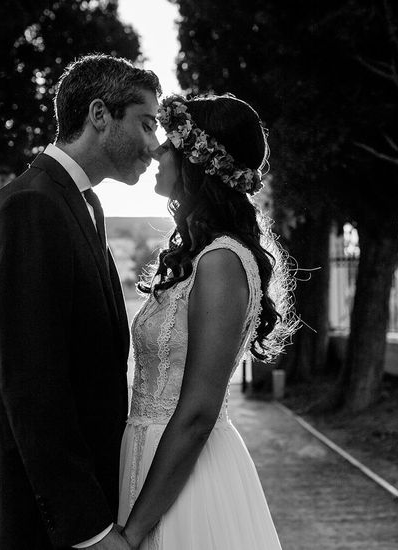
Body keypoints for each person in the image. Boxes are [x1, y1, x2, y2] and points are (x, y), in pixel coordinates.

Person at [0, 54, 160, 550]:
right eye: (146, 124)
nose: (154, 146)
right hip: (45, 524)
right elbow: (32, 384)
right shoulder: (33, 206)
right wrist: (89, 530)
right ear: (100, 114)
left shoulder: (83, 202)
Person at [117, 94, 298, 549]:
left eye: (171, 143)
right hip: (148, 457)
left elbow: (198, 412)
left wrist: (133, 533)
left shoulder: (221, 262)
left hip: (187, 478)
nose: (158, 151)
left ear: (201, 161)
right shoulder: (200, 254)